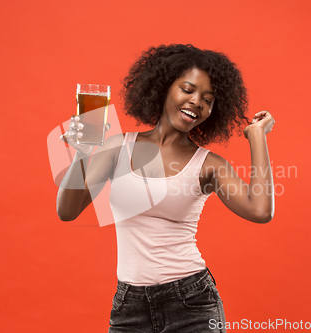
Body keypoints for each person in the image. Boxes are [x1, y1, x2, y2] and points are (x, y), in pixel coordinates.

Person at [56, 44, 275, 333]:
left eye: (207, 100)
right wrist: (82, 153)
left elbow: (260, 211)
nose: (196, 102)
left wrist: (256, 136)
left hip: (192, 302)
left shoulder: (209, 165)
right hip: (128, 306)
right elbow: (67, 211)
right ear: (163, 88)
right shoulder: (117, 147)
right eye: (187, 89)